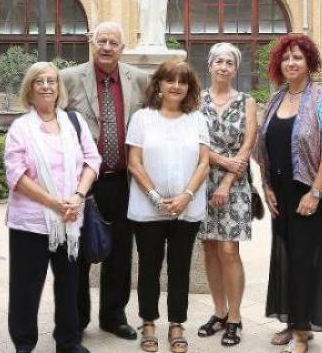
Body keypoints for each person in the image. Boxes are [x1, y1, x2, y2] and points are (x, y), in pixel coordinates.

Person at [254, 34, 322, 353]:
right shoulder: (276, 99)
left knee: (307, 260)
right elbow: (263, 149)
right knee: (287, 258)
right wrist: (266, 187)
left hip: (309, 193)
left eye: (298, 57)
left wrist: (316, 192)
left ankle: (304, 331)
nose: (291, 63)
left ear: (309, 63)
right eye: (286, 57)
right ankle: (293, 321)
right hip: (280, 193)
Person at [60, 21, 150, 340]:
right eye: (102, 41)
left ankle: (114, 316)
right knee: (81, 250)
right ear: (92, 43)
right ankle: (78, 318)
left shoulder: (139, 80)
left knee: (121, 251)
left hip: (124, 181)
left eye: (114, 42)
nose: (107, 47)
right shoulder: (69, 78)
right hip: (84, 181)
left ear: (122, 48)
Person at [4, 62, 101, 353]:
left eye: (52, 81)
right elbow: (15, 174)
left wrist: (78, 195)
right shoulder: (21, 127)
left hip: (70, 220)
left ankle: (68, 342)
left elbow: (92, 160)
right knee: (26, 288)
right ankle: (24, 344)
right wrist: (53, 203)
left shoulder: (74, 122)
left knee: (69, 286)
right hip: (30, 223)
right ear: (29, 90)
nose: (47, 86)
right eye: (39, 82)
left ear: (59, 87)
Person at [126, 59, 211, 353]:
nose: (176, 86)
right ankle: (148, 321)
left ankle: (177, 323)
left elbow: (204, 162)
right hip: (148, 208)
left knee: (180, 267)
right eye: (170, 80)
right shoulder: (142, 118)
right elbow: (134, 163)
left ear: (189, 88)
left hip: (186, 209)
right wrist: (154, 197)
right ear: (159, 84)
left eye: (182, 82)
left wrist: (186, 195)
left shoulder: (196, 119)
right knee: (149, 267)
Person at [197, 43, 258, 347]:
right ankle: (218, 312)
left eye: (229, 63)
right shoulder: (197, 100)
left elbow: (248, 145)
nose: (223, 66)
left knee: (229, 251)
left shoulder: (246, 101)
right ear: (209, 66)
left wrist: (226, 181)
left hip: (235, 183)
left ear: (236, 69)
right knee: (209, 248)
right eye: (218, 61)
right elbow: (195, 143)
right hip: (201, 180)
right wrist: (219, 162)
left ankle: (235, 317)